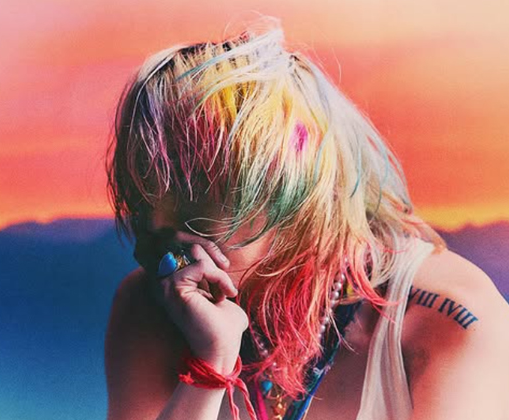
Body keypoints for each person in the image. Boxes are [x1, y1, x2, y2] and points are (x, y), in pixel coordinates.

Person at [104, 17, 509, 420]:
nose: (154, 228)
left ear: (285, 190)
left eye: (192, 198)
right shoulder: (152, 306)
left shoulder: (451, 319)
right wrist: (209, 368)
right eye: (144, 198)